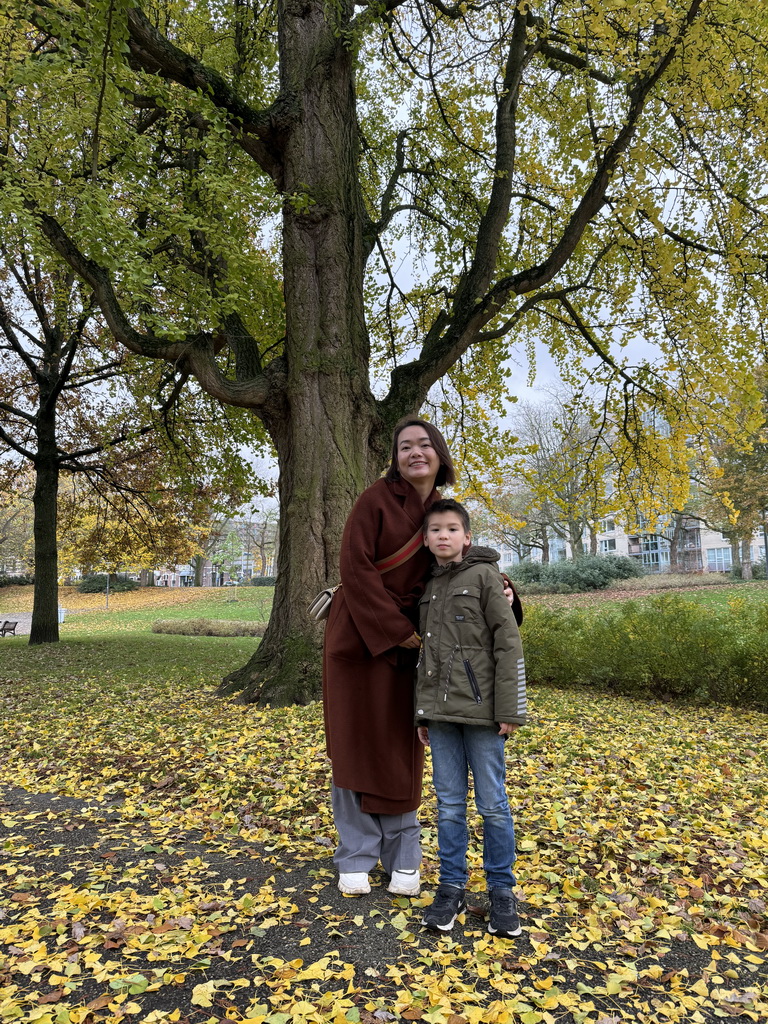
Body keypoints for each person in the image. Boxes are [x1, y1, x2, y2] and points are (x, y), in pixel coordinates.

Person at [322, 417, 454, 897]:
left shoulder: (443, 509)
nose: (415, 453)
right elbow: (354, 569)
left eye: (424, 445)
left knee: (401, 748)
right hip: (358, 639)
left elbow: (459, 559)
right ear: (395, 457)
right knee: (355, 746)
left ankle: (404, 856)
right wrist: (396, 631)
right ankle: (355, 854)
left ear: (439, 454)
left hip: (411, 649)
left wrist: (501, 588)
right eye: (404, 447)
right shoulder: (374, 500)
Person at [415, 498, 527, 938]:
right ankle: (452, 886)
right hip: (440, 717)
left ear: (467, 536)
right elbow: (428, 657)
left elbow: (508, 642)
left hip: (483, 717)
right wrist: (420, 715)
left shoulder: (485, 577)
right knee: (448, 807)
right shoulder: (428, 586)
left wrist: (511, 708)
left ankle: (501, 890)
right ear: (425, 539)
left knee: (494, 806)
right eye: (435, 530)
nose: (443, 536)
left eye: (451, 529)